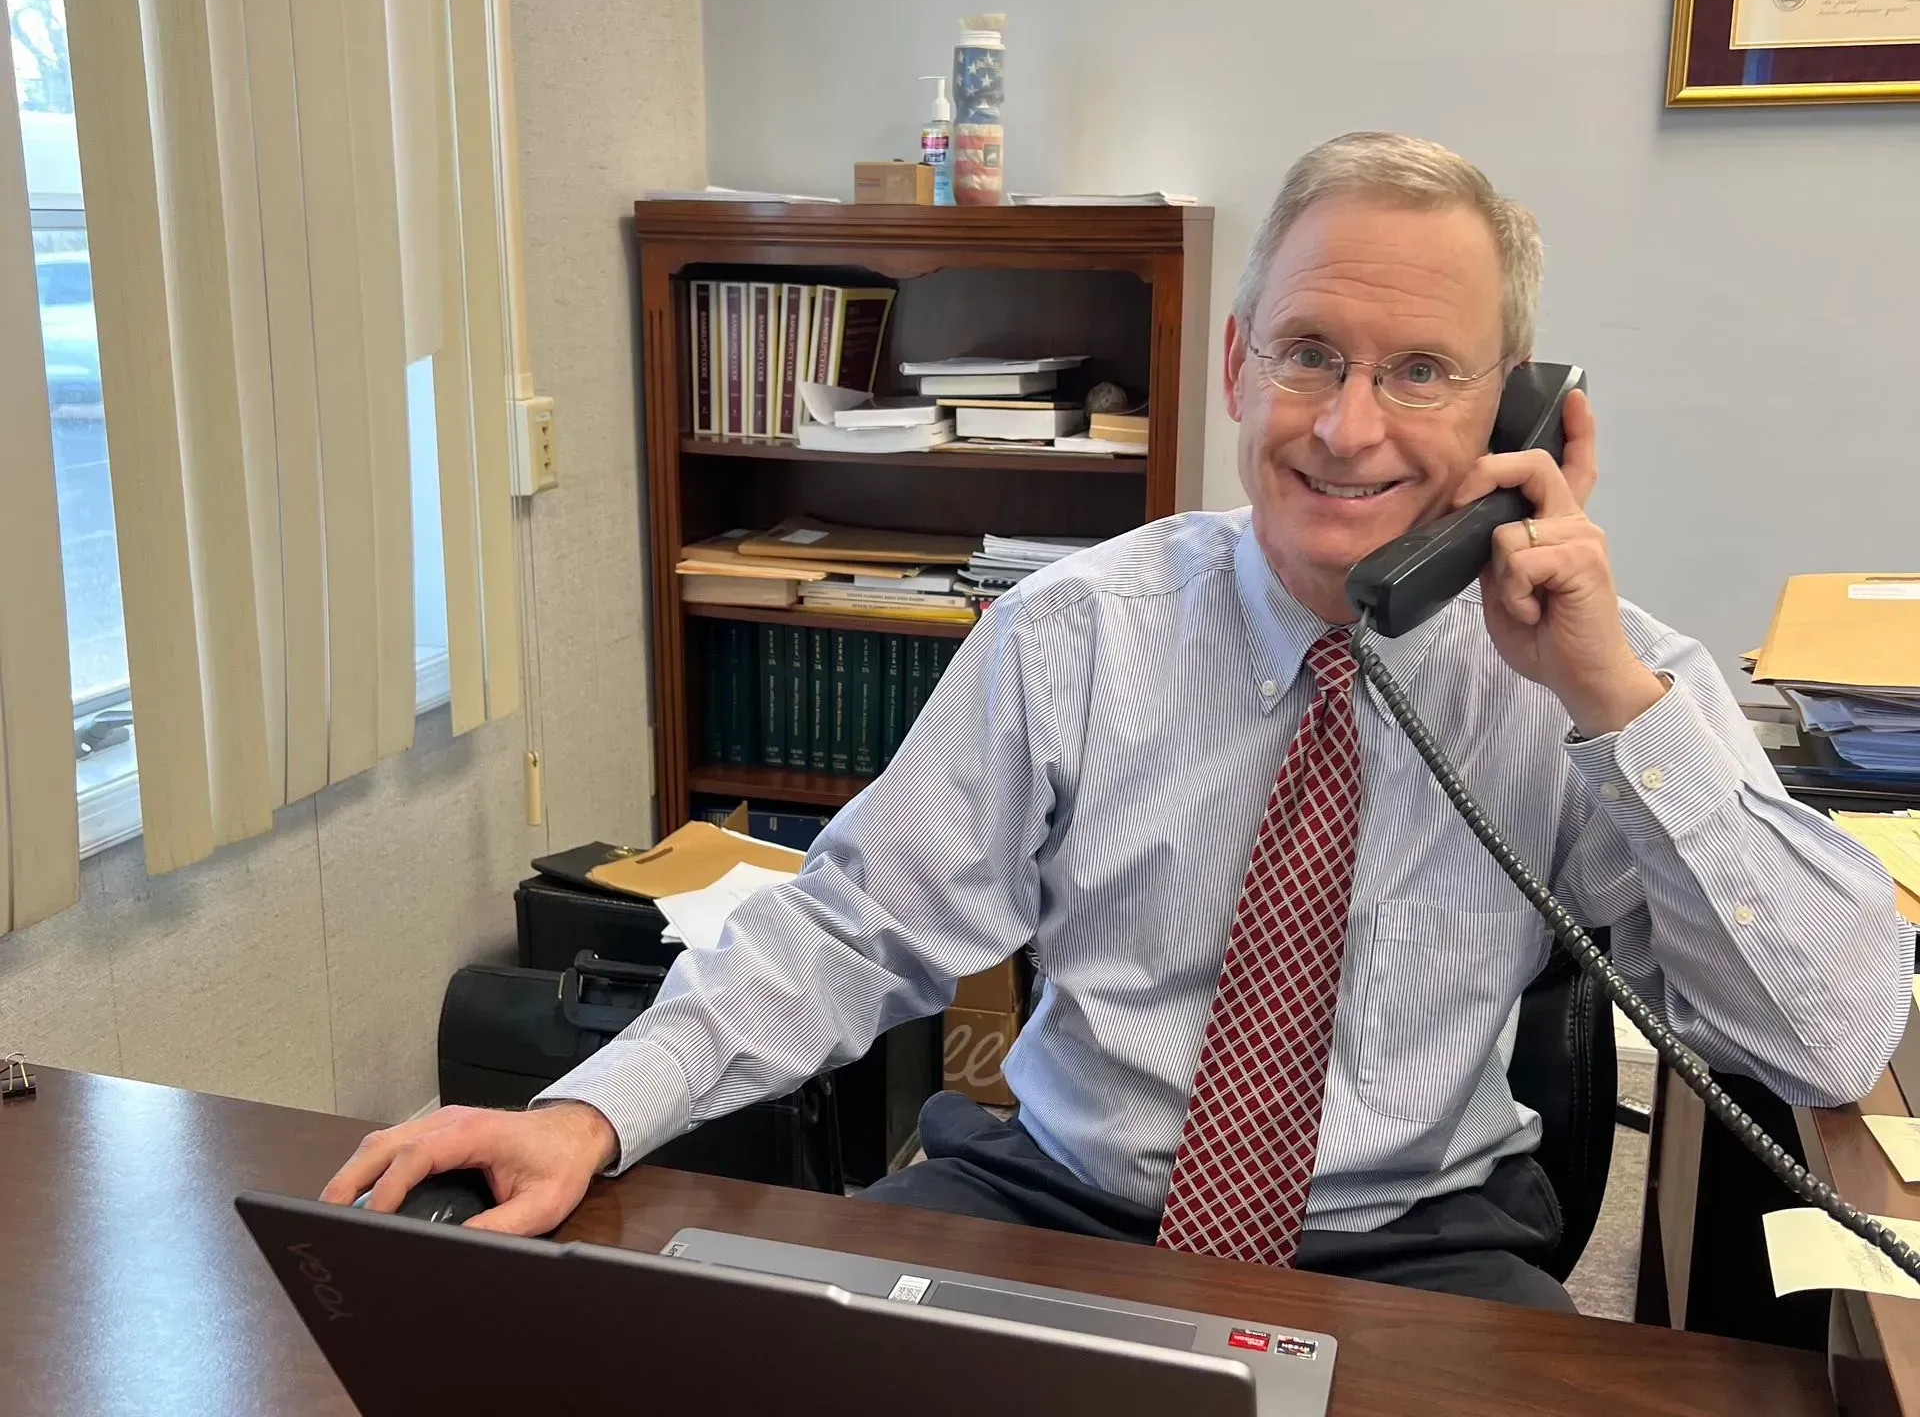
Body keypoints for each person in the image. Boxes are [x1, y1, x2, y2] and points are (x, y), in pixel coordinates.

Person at [324, 132, 1912, 1311]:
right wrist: (592, 1111)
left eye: (1423, 371)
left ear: (1525, 417)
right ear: (1234, 364)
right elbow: (857, 925)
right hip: (1053, 1196)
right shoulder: (1077, 633)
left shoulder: (1595, 674)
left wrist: (1609, 708)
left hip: (1414, 1242)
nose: (1349, 427)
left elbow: (1833, 1035)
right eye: (1309, 353)